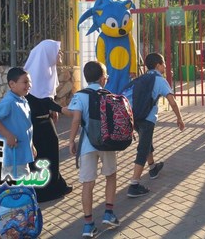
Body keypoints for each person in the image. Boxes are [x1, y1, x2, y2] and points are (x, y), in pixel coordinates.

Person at [68, 61, 120, 237]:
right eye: (105, 75)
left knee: (87, 184)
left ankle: (89, 224)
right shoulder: (109, 94)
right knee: (111, 176)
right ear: (102, 78)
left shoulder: (79, 96)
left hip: (87, 145)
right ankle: (109, 213)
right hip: (107, 143)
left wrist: (71, 141)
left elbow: (76, 120)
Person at [122, 53, 185, 198]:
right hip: (147, 119)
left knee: (146, 141)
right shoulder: (159, 80)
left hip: (134, 117)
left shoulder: (142, 78)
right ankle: (134, 185)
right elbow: (172, 101)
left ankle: (153, 168)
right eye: (163, 64)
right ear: (158, 65)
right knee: (143, 148)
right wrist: (180, 119)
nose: (165, 66)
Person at [24, 39, 73, 202]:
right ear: (47, 53)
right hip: (35, 125)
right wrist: (61, 109)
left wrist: (52, 109)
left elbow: (46, 96)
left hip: (45, 120)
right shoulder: (34, 74)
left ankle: (56, 185)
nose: (60, 54)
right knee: (41, 157)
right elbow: (41, 98)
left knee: (51, 152)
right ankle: (44, 192)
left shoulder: (47, 70)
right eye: (58, 51)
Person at [0, 67, 36, 178]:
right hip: (12, 157)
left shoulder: (22, 100)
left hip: (21, 156)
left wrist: (31, 146)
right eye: (25, 82)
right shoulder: (9, 101)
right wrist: (8, 135)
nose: (29, 85)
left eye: (29, 82)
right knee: (18, 190)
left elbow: (26, 127)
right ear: (12, 84)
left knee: (20, 189)